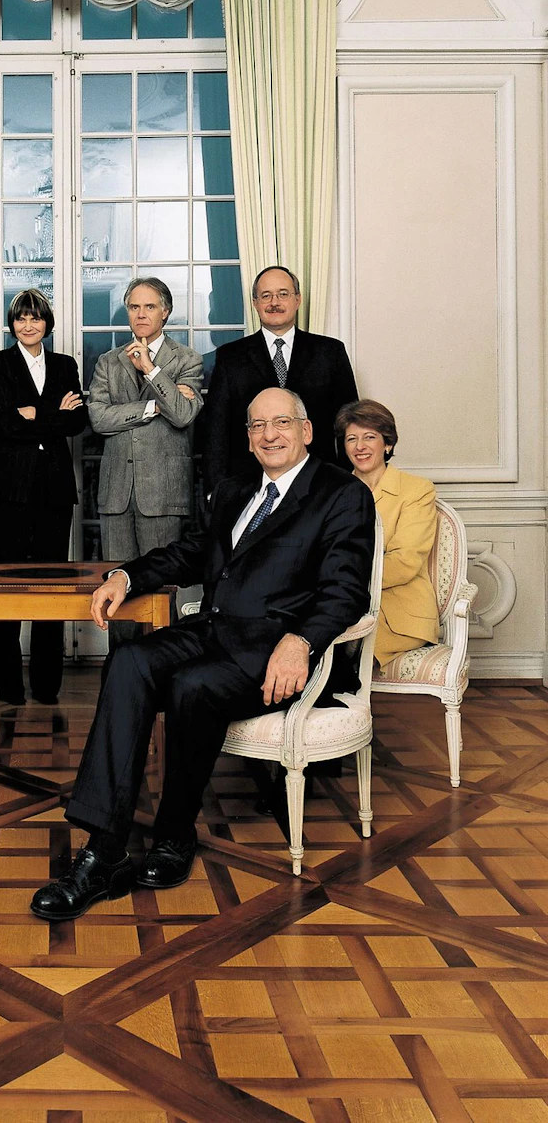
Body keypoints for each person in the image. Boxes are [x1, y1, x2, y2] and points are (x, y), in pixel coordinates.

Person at [30, 386, 374, 922]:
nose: (269, 435)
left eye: (281, 423)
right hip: (212, 630)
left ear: (306, 431)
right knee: (129, 661)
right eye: (257, 426)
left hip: (275, 651)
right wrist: (125, 576)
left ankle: (174, 834)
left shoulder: (341, 493)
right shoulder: (235, 489)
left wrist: (301, 641)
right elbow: (189, 552)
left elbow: (346, 590)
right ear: (248, 438)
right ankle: (104, 851)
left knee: (194, 685)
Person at [0, 289, 88, 705]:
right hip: (8, 491)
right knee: (5, 585)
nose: (28, 325)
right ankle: (9, 686)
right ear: (12, 325)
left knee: (52, 586)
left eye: (36, 318)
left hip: (54, 491)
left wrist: (33, 414)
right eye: (20, 319)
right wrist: (54, 414)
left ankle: (46, 684)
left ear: (47, 323)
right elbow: (3, 425)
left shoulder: (65, 365)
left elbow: (77, 423)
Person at [88, 277, 204, 649]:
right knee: (116, 589)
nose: (141, 314)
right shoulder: (108, 362)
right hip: (117, 494)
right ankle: (120, 669)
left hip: (164, 493)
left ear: (165, 312)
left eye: (149, 306)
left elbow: (183, 414)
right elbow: (99, 419)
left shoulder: (187, 359)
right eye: (134, 307)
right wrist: (155, 406)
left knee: (160, 590)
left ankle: (162, 669)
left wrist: (152, 370)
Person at [202, 265, 358, 494]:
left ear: (297, 299)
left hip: (319, 485)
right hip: (249, 485)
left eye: (283, 294)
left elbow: (349, 423)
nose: (274, 302)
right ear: (255, 303)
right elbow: (216, 432)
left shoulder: (330, 352)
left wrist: (346, 481)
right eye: (266, 296)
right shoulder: (230, 357)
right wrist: (216, 492)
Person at [336, 398, 440, 667]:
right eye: (351, 439)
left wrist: (343, 581)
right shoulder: (332, 491)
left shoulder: (416, 490)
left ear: (388, 443)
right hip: (340, 601)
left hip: (399, 613)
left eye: (369, 437)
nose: (360, 446)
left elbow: (406, 561)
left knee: (335, 653)